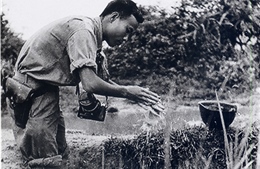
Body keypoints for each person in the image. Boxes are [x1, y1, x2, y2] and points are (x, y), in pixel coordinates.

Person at [5, 0, 163, 168]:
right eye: (128, 30)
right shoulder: (83, 31)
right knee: (43, 159)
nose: (126, 38)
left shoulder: (94, 39)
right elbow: (90, 83)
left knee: (59, 152)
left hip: (45, 92)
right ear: (114, 17)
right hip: (31, 91)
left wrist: (137, 97)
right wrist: (127, 92)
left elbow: (102, 80)